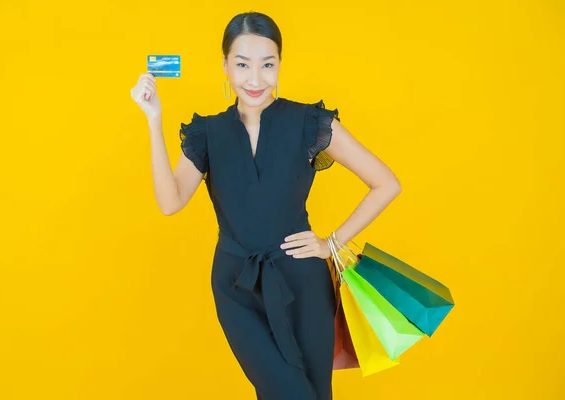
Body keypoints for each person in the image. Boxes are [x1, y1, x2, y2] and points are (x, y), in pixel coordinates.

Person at [131, 11, 402, 400]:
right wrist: (154, 121)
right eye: (242, 65)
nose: (255, 79)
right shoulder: (206, 133)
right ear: (225, 66)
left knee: (314, 393)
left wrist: (331, 243)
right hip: (235, 287)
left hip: (304, 285)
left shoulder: (310, 122)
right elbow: (171, 202)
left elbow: (385, 183)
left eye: (267, 64)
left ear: (279, 65)